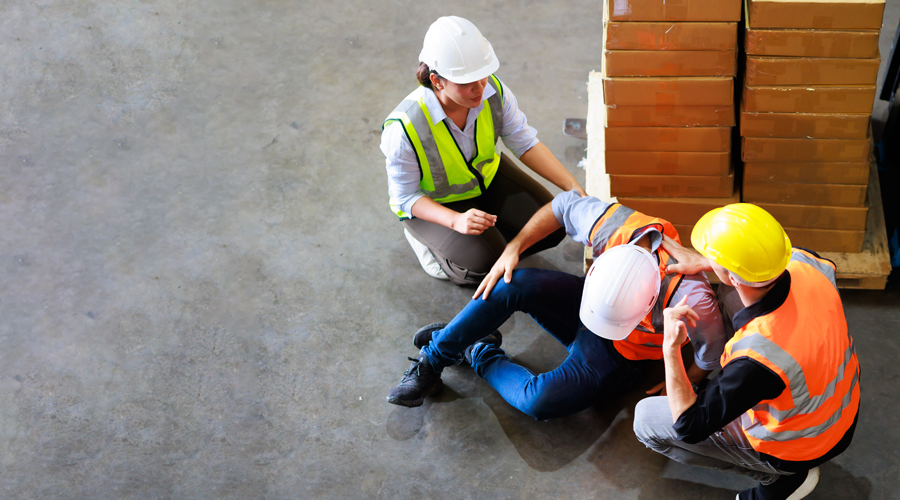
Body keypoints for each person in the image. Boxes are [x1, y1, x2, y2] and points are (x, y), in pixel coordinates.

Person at [385, 191, 728, 418]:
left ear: (650, 301)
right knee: (513, 282)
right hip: (584, 304)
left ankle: (478, 350)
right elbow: (561, 206)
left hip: (621, 357)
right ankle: (433, 359)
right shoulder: (619, 229)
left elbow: (710, 352)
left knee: (538, 401)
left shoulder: (694, 300)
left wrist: (684, 381)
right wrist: (513, 248)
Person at [633, 204, 860, 500]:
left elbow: (690, 426)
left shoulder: (759, 357)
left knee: (646, 419)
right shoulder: (807, 262)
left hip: (802, 443)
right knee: (730, 298)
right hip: (838, 406)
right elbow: (754, 275)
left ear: (730, 274)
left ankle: (780, 480)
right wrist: (706, 263)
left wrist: (671, 350)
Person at [380, 16, 586, 286]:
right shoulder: (404, 128)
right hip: (439, 203)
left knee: (553, 227)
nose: (480, 88)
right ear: (437, 81)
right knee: (483, 267)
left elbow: (525, 142)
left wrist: (573, 188)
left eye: (482, 76)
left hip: (487, 179)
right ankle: (428, 245)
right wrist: (455, 221)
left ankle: (493, 237)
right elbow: (404, 198)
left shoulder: (493, 92)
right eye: (466, 82)